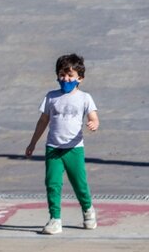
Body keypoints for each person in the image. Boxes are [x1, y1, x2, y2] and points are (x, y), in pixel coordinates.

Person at [26, 53, 100, 235]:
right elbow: (43, 121)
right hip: (53, 148)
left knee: (79, 183)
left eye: (70, 76)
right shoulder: (51, 97)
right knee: (52, 183)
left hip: (74, 148)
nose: (65, 79)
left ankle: (88, 210)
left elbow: (94, 117)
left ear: (79, 78)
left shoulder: (85, 98)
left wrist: (93, 124)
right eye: (62, 75)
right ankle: (55, 219)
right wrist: (33, 142)